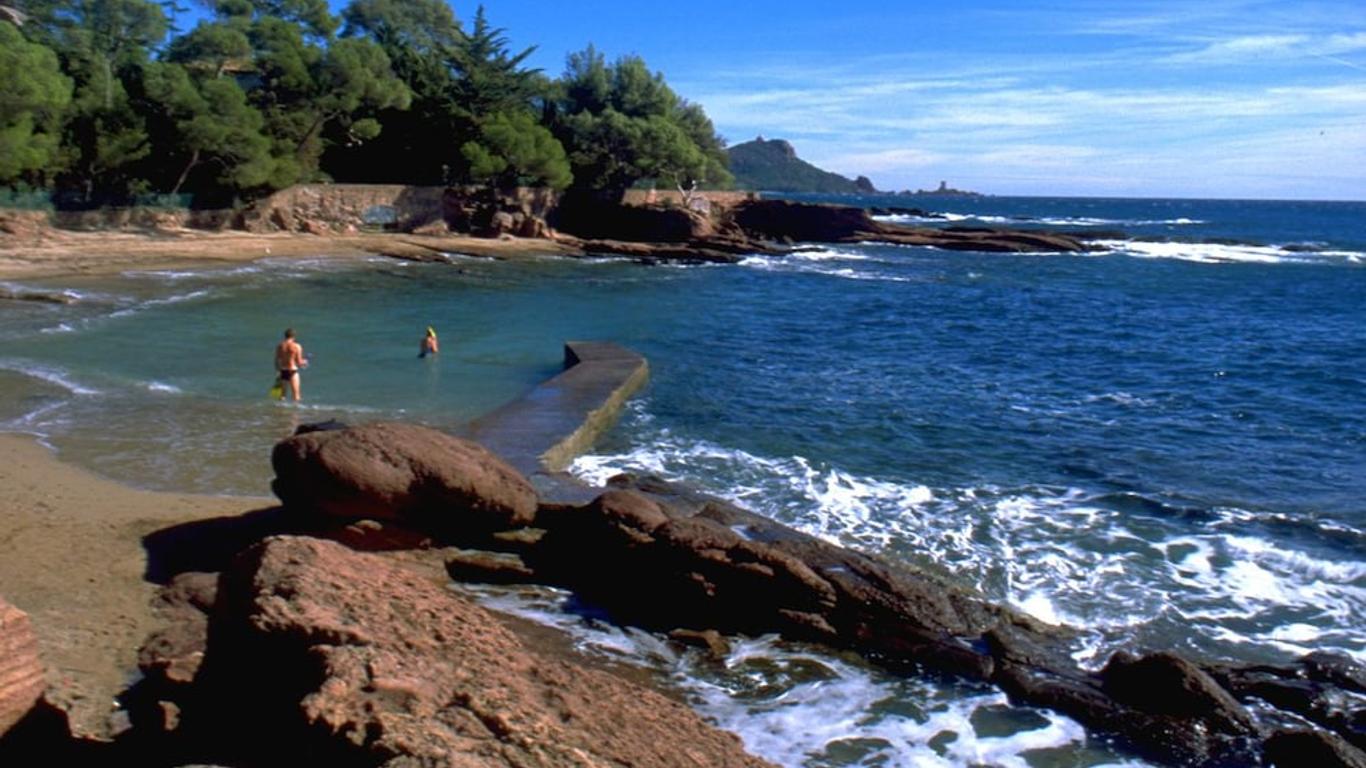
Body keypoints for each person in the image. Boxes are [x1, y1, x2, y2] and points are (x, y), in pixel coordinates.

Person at [274, 328, 306, 401]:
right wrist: (304, 362)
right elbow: (299, 362)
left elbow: (276, 360)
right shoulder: (297, 346)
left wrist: (278, 371)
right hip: (293, 370)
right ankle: (296, 412)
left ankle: (280, 411)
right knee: (296, 395)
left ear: (285, 336)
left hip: (283, 370)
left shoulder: (280, 346)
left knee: (282, 395)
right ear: (294, 336)